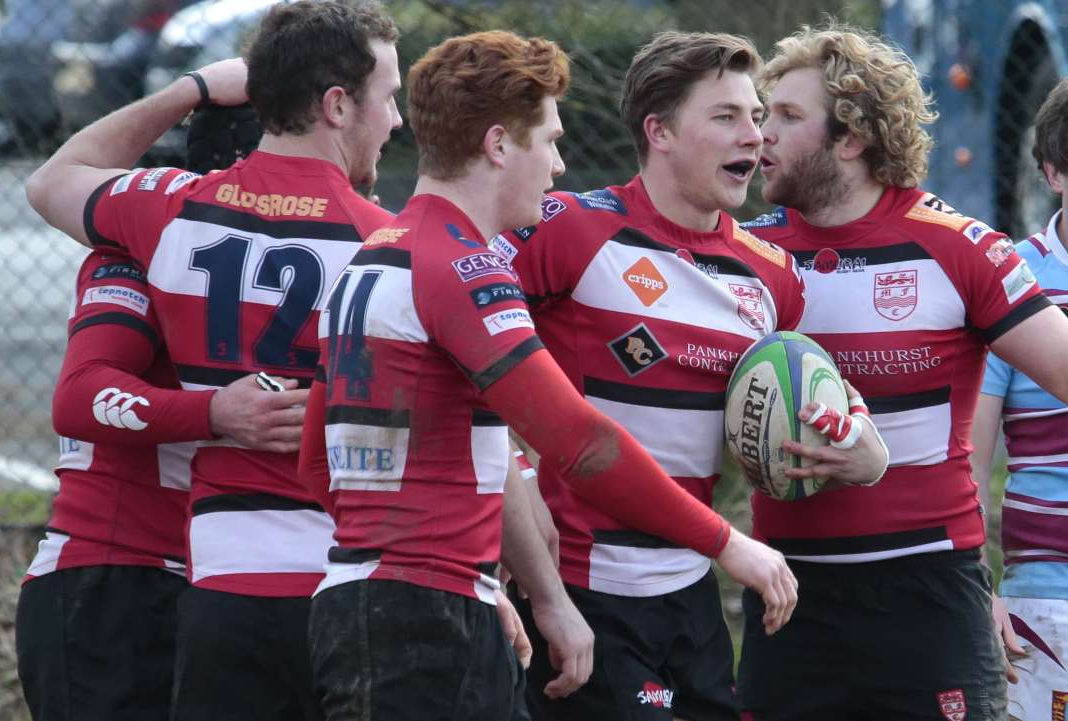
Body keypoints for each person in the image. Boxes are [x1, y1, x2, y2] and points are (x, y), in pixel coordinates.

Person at [298, 28, 799, 721]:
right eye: (550, 140)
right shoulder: (466, 269)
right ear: (500, 145)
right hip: (424, 616)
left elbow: (313, 461)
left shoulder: (373, 256)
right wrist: (727, 540)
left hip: (376, 595)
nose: (560, 165)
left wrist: (484, 580)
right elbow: (581, 441)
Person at [490, 31, 884, 721]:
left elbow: (828, 403)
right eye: (726, 116)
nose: (754, 136)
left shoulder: (771, 276)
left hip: (692, 590)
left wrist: (864, 449)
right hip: (580, 586)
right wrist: (513, 481)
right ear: (660, 132)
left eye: (757, 116)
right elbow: (453, 342)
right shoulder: (568, 229)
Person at [25, 2, 401, 719]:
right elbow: (79, 400)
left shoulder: (168, 212)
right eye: (387, 99)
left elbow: (54, 179)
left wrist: (184, 91)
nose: (394, 120)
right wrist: (216, 411)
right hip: (120, 571)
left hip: (217, 573)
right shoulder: (138, 247)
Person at [737, 23, 1068, 721]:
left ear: (852, 137)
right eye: (759, 114)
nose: (759, 133)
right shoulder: (746, 256)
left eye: (785, 116)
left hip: (927, 594)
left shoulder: (960, 248)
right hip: (786, 591)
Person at [971, 73, 1068, 721]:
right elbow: (969, 458)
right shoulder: (1010, 280)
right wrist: (977, 589)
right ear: (1051, 173)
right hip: (1048, 596)